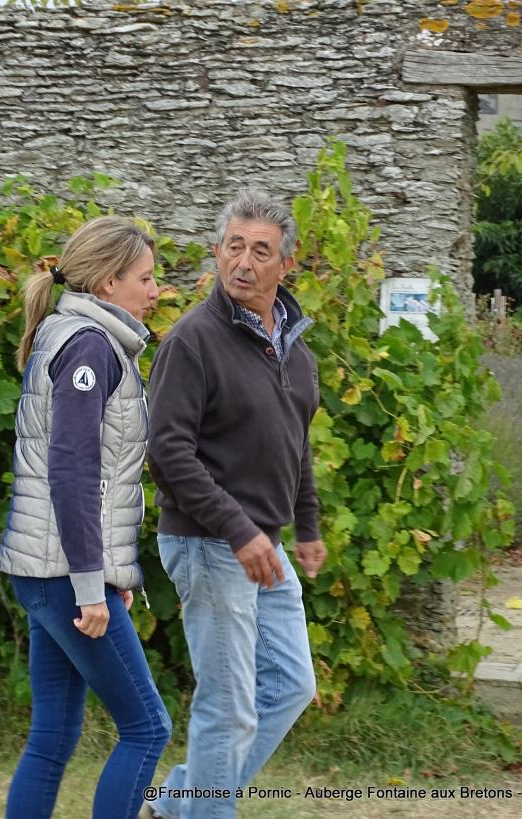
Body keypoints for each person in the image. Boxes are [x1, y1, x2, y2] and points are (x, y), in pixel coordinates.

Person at [142, 189, 327, 819]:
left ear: (286, 266)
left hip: (261, 543)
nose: (243, 262)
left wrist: (306, 526)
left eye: (260, 251)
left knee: (291, 685)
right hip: (208, 541)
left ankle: (180, 802)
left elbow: (295, 446)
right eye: (233, 246)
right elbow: (167, 451)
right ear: (217, 252)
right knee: (228, 705)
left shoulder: (294, 349)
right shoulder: (193, 341)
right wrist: (238, 530)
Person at [0, 216, 171, 819]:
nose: (155, 290)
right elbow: (72, 474)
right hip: (65, 579)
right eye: (145, 279)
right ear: (105, 284)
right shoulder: (90, 347)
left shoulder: (68, 334)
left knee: (52, 739)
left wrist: (109, 578)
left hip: (50, 574)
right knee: (147, 728)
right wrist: (91, 584)